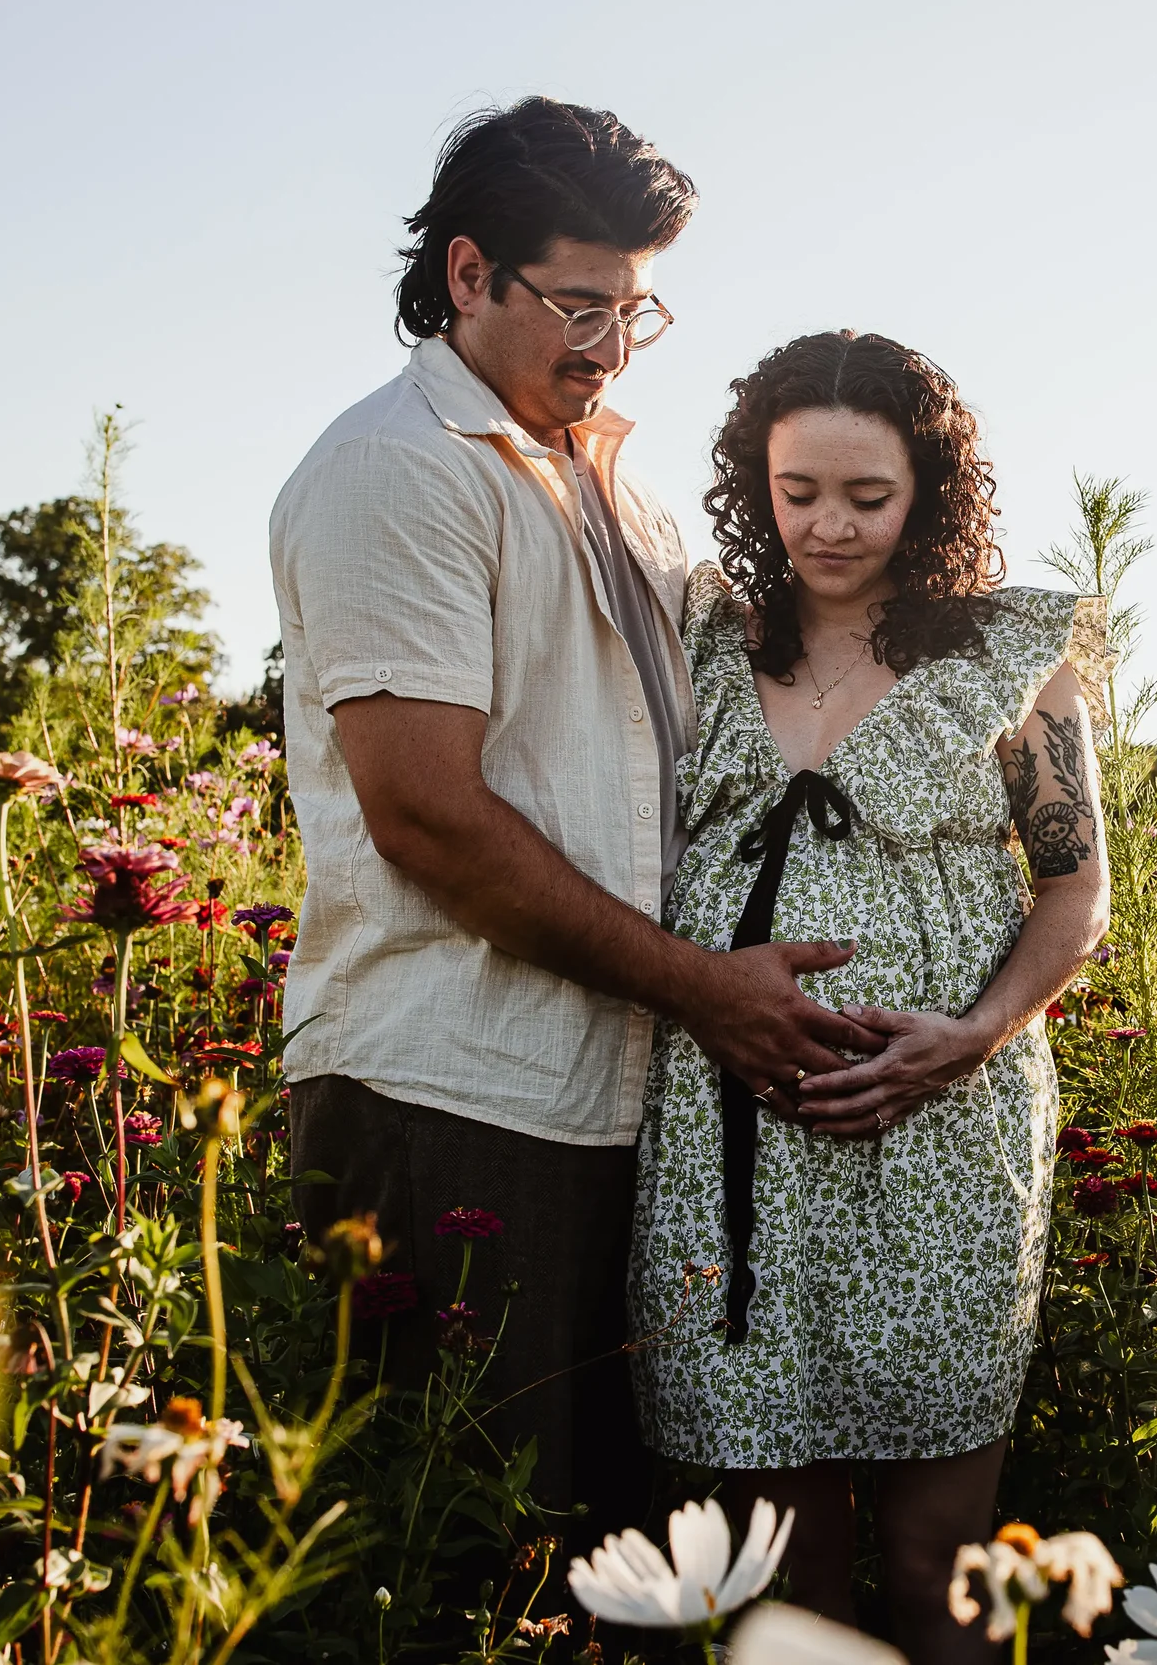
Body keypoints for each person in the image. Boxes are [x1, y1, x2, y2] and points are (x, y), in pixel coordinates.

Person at [266, 99, 879, 1528]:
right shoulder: (398, 469)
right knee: (450, 1555)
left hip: (612, 1091)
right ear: (469, 275)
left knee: (594, 1553)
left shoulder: (616, 489)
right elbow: (426, 817)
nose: (607, 343)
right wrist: (710, 995)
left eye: (637, 310)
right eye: (580, 302)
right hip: (451, 1089)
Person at [628, 331, 1111, 1662]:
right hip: (732, 1141)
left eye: (867, 495)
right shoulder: (708, 638)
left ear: (930, 494)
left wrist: (966, 1038)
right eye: (797, 492)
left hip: (942, 1139)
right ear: (756, 484)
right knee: (781, 1572)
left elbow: (1075, 894)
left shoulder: (1008, 655)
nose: (826, 525)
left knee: (934, 1562)